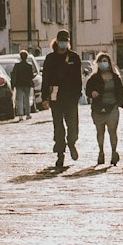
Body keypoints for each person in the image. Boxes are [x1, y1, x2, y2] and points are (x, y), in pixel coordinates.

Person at [40, 28, 83, 170]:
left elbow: (78, 78)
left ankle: (71, 143)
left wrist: (78, 94)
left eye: (66, 40)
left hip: (70, 97)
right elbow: (45, 78)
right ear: (57, 41)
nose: (63, 43)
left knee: (73, 125)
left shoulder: (74, 57)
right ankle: (60, 153)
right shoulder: (50, 58)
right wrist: (44, 97)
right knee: (58, 126)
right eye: (61, 40)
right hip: (55, 96)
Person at [86, 53, 123, 166]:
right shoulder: (94, 78)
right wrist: (92, 93)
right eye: (101, 61)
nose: (103, 63)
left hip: (113, 107)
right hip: (98, 109)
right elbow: (88, 90)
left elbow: (121, 91)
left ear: (109, 63)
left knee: (112, 131)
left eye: (105, 61)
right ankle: (101, 152)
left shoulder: (115, 78)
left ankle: (114, 152)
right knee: (100, 132)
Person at [10, 49, 37, 119]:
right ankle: (28, 114)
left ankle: (20, 115)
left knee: (19, 100)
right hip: (27, 84)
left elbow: (14, 75)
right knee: (27, 99)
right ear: (26, 57)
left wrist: (13, 84)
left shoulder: (17, 65)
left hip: (19, 84)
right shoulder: (29, 66)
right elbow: (31, 75)